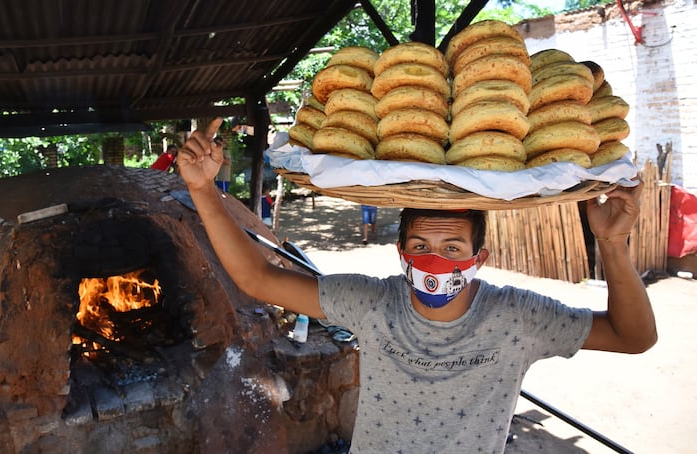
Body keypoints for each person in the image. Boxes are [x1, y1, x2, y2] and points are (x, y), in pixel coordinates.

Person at [176, 118, 657, 453]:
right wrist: (202, 190)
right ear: (401, 253)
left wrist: (612, 245)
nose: (433, 260)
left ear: (479, 258)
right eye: (420, 244)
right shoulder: (373, 303)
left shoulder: (518, 317)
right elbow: (257, 278)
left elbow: (633, 337)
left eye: (452, 249)